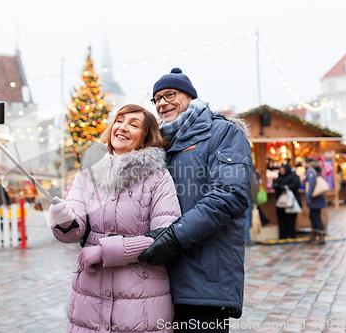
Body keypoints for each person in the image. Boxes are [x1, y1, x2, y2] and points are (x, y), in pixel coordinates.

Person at [139, 68, 253, 332]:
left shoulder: (222, 133)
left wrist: (174, 236)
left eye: (170, 94)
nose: (162, 102)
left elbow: (229, 194)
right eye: (156, 99)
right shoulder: (158, 145)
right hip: (160, 279)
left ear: (190, 97)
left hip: (205, 278)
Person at [49, 104, 181, 333]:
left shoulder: (159, 177)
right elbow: (74, 231)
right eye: (119, 120)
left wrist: (103, 251)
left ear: (145, 139)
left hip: (142, 301)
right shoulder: (87, 174)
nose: (123, 127)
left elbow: (165, 239)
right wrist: (63, 219)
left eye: (134, 124)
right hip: (90, 298)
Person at [272, 163, 301, 239]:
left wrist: (286, 187)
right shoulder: (279, 177)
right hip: (280, 203)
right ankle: (283, 235)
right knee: (281, 219)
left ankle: (291, 235)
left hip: (290, 202)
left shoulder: (293, 176)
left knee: (291, 219)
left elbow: (296, 184)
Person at [303, 157, 327, 245]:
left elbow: (311, 185)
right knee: (313, 217)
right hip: (317, 199)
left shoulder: (310, 171)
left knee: (316, 217)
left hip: (315, 199)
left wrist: (308, 197)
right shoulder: (315, 170)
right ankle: (315, 236)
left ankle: (320, 238)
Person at [245, 171, 259, 244]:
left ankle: (246, 238)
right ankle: (246, 238)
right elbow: (253, 189)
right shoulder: (251, 174)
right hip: (249, 199)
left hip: (242, 198)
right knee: (247, 218)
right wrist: (255, 202)